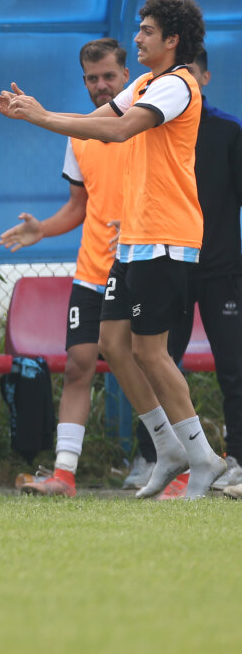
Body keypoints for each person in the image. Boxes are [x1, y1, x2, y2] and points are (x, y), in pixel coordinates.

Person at [0, 0, 228, 499]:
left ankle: (203, 458)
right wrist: (38, 115)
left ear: (173, 40)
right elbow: (97, 123)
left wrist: (41, 116)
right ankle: (167, 450)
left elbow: (119, 129)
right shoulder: (145, 82)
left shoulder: (176, 85)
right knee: (115, 345)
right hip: (133, 241)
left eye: (147, 30)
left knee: (151, 352)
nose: (137, 37)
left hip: (165, 237)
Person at [0, 38, 132, 497]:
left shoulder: (147, 124)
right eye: (92, 79)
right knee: (78, 365)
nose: (101, 85)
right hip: (92, 268)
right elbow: (79, 205)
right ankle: (64, 474)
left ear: (126, 75)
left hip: (140, 264)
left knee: (151, 362)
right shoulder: (78, 133)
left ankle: (174, 463)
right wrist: (43, 229)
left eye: (109, 76)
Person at [162, 49, 242, 491]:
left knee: (234, 367)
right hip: (169, 267)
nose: (183, 82)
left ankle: (238, 461)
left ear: (205, 78)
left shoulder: (228, 130)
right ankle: (161, 459)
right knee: (160, 362)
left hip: (220, 271)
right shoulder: (156, 126)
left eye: (190, 73)